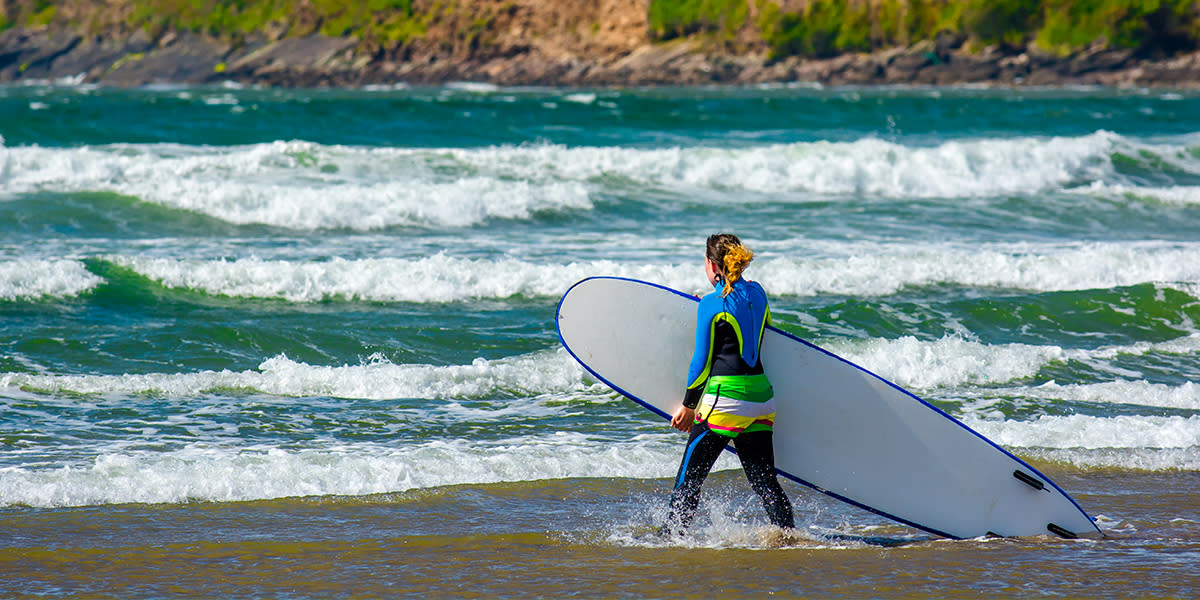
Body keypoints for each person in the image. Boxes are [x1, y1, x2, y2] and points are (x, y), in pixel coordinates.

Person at [665, 233, 795, 533]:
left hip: (724, 402)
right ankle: (790, 537)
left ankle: (671, 539)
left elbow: (701, 362)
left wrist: (688, 406)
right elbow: (769, 334)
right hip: (762, 399)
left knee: (688, 481)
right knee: (765, 482)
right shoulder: (759, 294)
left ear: (712, 265)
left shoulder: (711, 304)